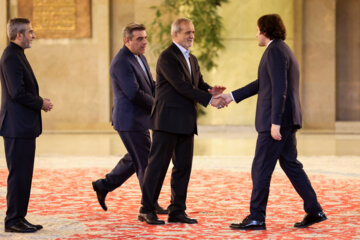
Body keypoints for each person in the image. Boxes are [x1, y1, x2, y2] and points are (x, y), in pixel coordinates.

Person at [218, 14, 326, 230]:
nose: (256, 34)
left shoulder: (275, 51)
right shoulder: (281, 49)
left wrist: (275, 122)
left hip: (277, 121)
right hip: (286, 119)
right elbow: (263, 83)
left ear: (265, 30)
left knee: (260, 168)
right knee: (290, 164)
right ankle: (315, 210)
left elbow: (279, 88)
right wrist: (231, 96)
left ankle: (257, 217)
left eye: (258, 30)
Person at [138, 18, 226, 225]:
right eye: (187, 32)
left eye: (193, 32)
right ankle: (146, 209)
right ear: (175, 35)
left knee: (183, 167)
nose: (192, 36)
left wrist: (209, 90)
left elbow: (197, 83)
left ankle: (177, 210)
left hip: (186, 121)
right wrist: (210, 100)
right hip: (166, 121)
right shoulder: (167, 57)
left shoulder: (192, 59)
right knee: (158, 166)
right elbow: (180, 86)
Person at [91, 23, 167, 214]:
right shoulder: (121, 61)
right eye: (139, 38)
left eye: (145, 37)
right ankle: (149, 206)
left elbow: (150, 85)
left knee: (136, 158)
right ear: (127, 40)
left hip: (138, 119)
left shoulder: (139, 56)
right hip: (129, 120)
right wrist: (158, 106)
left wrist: (169, 92)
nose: (145, 42)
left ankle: (103, 185)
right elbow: (134, 94)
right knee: (145, 162)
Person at [0, 18, 53, 233]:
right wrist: (41, 102)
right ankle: (13, 220)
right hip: (16, 126)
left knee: (23, 174)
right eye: (30, 32)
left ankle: (19, 217)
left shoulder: (17, 54)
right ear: (19, 35)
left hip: (21, 126)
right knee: (18, 175)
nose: (33, 35)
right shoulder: (11, 57)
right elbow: (16, 93)